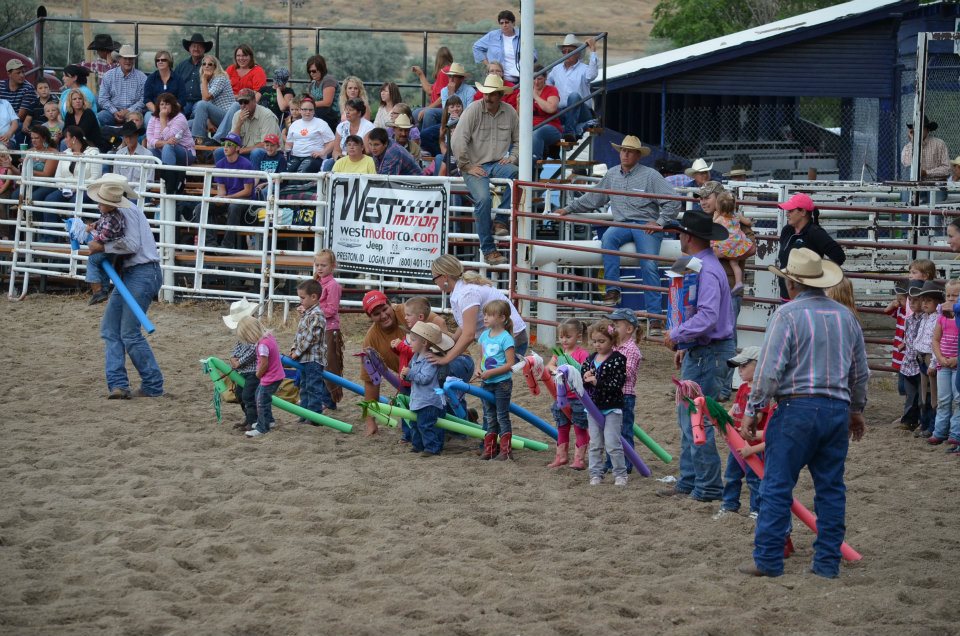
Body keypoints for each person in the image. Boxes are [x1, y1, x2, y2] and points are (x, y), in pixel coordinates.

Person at [738, 248, 868, 579]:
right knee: (830, 487)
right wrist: (856, 410)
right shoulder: (846, 317)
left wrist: (753, 409)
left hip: (796, 407)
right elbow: (859, 373)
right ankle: (826, 562)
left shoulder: (788, 315)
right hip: (836, 408)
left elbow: (769, 370)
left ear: (792, 284)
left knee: (777, 485)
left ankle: (768, 559)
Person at [555, 136, 681, 316]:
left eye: (630, 151)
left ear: (638, 155)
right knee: (612, 241)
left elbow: (673, 202)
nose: (625, 154)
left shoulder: (650, 175)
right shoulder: (613, 174)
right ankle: (617, 292)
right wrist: (568, 209)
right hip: (627, 224)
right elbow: (594, 197)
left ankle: (651, 314)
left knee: (647, 264)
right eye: (623, 150)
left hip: (643, 224)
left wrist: (660, 222)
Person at [658, 209, 734, 503]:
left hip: (708, 351)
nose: (678, 237)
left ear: (687, 236)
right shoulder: (705, 266)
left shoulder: (705, 269)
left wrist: (678, 335)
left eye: (680, 233)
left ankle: (706, 485)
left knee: (695, 420)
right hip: (704, 351)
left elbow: (707, 317)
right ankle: (693, 481)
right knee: (690, 418)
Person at [85, 174, 164, 399]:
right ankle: (120, 385)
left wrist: (102, 247)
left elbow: (131, 244)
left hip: (140, 271)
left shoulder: (125, 211)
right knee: (113, 330)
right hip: (132, 274)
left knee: (127, 333)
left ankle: (151, 385)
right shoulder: (120, 211)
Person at [451, 74, 519, 266]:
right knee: (483, 198)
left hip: (493, 163)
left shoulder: (510, 112)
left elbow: (519, 141)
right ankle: (489, 247)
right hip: (475, 165)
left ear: (500, 95)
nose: (487, 97)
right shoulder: (474, 109)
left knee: (514, 173)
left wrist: (512, 158)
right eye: (486, 93)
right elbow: (458, 140)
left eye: (491, 94)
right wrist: (467, 165)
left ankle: (500, 221)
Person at [359, 290, 447, 436]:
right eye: (376, 314)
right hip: (413, 379)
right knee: (413, 407)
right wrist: (370, 420)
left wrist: (440, 355)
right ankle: (457, 417)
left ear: (390, 305)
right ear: (370, 318)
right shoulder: (371, 339)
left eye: (385, 309)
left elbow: (440, 323)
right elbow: (371, 381)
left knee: (432, 400)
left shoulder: (408, 311)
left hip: (440, 366)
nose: (383, 315)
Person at [429, 254, 529, 372]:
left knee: (495, 379)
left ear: (445, 277)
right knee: (491, 378)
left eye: (435, 278)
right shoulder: (462, 290)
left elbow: (468, 334)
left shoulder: (466, 293)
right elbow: (466, 325)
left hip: (510, 338)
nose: (435, 282)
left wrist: (446, 358)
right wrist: (450, 345)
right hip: (505, 336)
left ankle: (531, 364)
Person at [713, 346, 767, 521]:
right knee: (731, 475)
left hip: (753, 445)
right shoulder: (743, 388)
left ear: (758, 366)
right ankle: (729, 505)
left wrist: (742, 427)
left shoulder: (762, 391)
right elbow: (734, 409)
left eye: (743, 366)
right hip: (737, 442)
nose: (739, 370)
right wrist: (724, 422)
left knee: (754, 478)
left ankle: (756, 509)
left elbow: (757, 416)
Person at [583, 318, 628, 486]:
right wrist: (586, 378)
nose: (597, 345)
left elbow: (617, 384)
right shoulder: (589, 359)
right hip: (593, 407)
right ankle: (595, 474)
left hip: (612, 407)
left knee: (612, 443)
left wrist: (597, 382)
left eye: (601, 341)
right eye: (594, 341)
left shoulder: (618, 359)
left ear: (612, 340)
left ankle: (620, 474)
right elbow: (583, 380)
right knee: (594, 443)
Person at [776, 193, 846, 300]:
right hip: (786, 293)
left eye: (791, 211)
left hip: (808, 296)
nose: (787, 214)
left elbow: (839, 255)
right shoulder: (787, 230)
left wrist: (821, 275)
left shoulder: (815, 232)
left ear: (803, 212)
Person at [190, 132, 253, 249]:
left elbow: (247, 191)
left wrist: (228, 198)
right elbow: (222, 190)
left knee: (233, 207)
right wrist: (220, 198)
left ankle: (227, 246)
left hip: (242, 200)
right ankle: (209, 244)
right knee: (202, 207)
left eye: (229, 144)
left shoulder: (246, 164)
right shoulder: (220, 164)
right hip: (229, 198)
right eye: (224, 144)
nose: (225, 147)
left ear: (238, 148)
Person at [401, 321, 452, 457]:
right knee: (415, 424)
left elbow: (425, 378)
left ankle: (432, 448)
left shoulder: (430, 359)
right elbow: (412, 374)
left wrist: (410, 374)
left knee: (426, 425)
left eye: (413, 340)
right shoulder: (416, 356)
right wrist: (405, 375)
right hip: (418, 399)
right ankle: (418, 446)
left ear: (424, 343)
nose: (410, 342)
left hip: (429, 400)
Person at [545, 318, 590, 469]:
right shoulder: (559, 352)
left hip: (578, 398)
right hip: (562, 396)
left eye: (568, 337)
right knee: (562, 427)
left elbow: (584, 371)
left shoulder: (582, 354)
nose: (564, 340)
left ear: (578, 336)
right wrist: (554, 370)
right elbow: (550, 365)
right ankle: (561, 456)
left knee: (580, 427)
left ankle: (579, 459)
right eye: (561, 337)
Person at [476, 299, 516, 461]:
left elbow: (510, 364)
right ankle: (490, 449)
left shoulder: (506, 338)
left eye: (490, 315)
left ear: (502, 318)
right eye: (485, 314)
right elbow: (480, 357)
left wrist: (491, 373)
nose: (485, 318)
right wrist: (478, 369)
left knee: (501, 416)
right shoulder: (484, 335)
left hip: (502, 383)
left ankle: (505, 451)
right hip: (487, 382)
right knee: (488, 416)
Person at [391, 297, 435, 444]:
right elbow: (408, 354)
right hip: (407, 378)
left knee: (414, 410)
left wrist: (400, 347)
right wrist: (397, 350)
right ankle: (408, 435)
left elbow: (415, 353)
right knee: (406, 409)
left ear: (420, 317)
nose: (405, 317)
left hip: (415, 381)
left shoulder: (424, 336)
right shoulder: (410, 334)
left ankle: (414, 436)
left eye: (408, 314)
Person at [238, 316, 284, 439]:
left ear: (250, 333)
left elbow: (264, 364)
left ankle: (262, 428)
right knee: (261, 397)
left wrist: (258, 375)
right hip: (277, 375)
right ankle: (269, 420)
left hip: (270, 377)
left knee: (261, 402)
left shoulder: (262, 345)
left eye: (246, 338)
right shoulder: (269, 337)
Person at [609, 307, 643, 474]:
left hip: (625, 396)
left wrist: (607, 370)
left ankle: (627, 464)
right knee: (610, 432)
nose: (612, 328)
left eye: (616, 325)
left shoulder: (632, 350)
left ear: (629, 329)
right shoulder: (614, 347)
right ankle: (611, 463)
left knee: (624, 431)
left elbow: (627, 373)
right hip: (611, 395)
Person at [547, 34, 598, 139]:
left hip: (582, 112)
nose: (566, 54)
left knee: (574, 96)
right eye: (564, 51)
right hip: (562, 111)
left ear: (578, 53)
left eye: (570, 51)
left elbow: (592, 74)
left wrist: (593, 50)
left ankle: (569, 132)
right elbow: (547, 82)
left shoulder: (584, 69)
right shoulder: (556, 69)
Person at [289, 278, 327, 419]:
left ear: (313, 297)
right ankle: (304, 414)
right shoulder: (307, 313)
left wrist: (297, 352)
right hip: (304, 359)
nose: (300, 301)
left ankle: (314, 416)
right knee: (304, 387)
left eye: (302, 298)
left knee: (313, 388)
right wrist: (294, 349)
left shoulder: (317, 315)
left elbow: (310, 338)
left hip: (313, 359)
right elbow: (299, 334)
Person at [213, 44, 267, 142]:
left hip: (244, 107)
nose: (241, 58)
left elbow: (256, 96)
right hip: (225, 106)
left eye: (244, 55)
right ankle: (196, 147)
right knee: (202, 105)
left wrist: (236, 98)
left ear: (250, 57)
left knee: (235, 105)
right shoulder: (230, 69)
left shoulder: (258, 71)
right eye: (238, 56)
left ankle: (217, 139)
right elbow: (220, 89)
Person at [214, 88, 280, 167]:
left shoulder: (267, 116)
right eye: (240, 102)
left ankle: (253, 179)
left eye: (246, 102)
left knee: (256, 152)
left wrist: (242, 150)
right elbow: (231, 142)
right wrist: (239, 124)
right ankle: (222, 178)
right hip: (243, 153)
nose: (243, 105)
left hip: (267, 155)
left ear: (254, 101)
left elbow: (267, 145)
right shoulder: (237, 115)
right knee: (219, 152)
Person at [146, 92, 195, 196]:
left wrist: (163, 119)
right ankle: (147, 186)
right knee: (148, 152)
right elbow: (150, 140)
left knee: (168, 147)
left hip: (184, 153)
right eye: (162, 104)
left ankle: (170, 185)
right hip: (163, 151)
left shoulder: (180, 118)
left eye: (167, 104)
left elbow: (169, 138)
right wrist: (164, 142)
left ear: (173, 105)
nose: (164, 107)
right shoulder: (153, 118)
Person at [222, 299, 260, 432]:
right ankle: (249, 418)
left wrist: (239, 361)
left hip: (254, 372)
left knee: (248, 396)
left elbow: (253, 351)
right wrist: (233, 358)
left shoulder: (256, 335)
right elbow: (237, 348)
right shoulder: (244, 334)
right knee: (240, 394)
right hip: (244, 371)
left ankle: (253, 420)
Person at [911, 281, 943, 439]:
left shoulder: (938, 319)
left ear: (937, 302)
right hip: (921, 356)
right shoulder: (924, 318)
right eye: (923, 300)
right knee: (924, 392)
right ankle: (924, 423)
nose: (924, 303)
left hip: (930, 357)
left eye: (928, 300)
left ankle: (932, 425)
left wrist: (933, 363)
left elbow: (937, 342)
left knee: (934, 393)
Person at [930, 279, 960, 446]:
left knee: (958, 400)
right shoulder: (941, 317)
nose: (950, 299)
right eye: (948, 295)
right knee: (943, 399)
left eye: (955, 296)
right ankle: (939, 431)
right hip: (944, 364)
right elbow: (935, 340)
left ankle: (955, 433)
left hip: (957, 365)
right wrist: (940, 358)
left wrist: (957, 359)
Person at [312, 249, 343, 409]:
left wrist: (313, 310)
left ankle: (330, 398)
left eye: (323, 265)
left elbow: (332, 310)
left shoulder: (333, 286)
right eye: (317, 265)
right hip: (319, 328)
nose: (319, 268)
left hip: (330, 329)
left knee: (330, 363)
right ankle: (322, 397)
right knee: (318, 361)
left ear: (333, 266)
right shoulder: (318, 284)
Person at [472, 10, 536, 84]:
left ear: (513, 23)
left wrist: (522, 63)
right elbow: (476, 47)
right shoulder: (492, 36)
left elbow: (533, 54)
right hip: (496, 79)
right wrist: (489, 65)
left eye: (507, 22)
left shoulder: (522, 35)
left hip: (519, 80)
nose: (504, 25)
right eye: (502, 23)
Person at [711, 189, 754, 295]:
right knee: (734, 263)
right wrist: (749, 222)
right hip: (737, 244)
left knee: (713, 253)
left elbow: (713, 225)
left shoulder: (720, 219)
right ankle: (738, 282)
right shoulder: (737, 216)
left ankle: (714, 273)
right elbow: (748, 222)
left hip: (725, 246)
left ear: (719, 207)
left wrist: (715, 216)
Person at [84, 196, 126, 305]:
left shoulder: (111, 219)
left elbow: (103, 237)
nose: (98, 206)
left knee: (92, 261)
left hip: (107, 247)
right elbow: (102, 222)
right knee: (102, 265)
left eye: (101, 204)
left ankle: (98, 291)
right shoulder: (113, 214)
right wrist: (95, 224)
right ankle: (104, 290)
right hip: (113, 248)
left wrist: (91, 231)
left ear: (111, 206)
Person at [96, 45, 147, 127]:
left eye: (130, 58)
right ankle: (103, 139)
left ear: (133, 60)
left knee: (142, 119)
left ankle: (138, 139)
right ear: (119, 59)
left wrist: (128, 111)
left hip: (134, 113)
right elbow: (102, 99)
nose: (128, 61)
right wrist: (115, 112)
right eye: (125, 58)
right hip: (112, 113)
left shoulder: (142, 77)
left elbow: (144, 99)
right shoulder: (108, 75)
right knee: (100, 117)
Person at [417, 63, 473, 137]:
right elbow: (446, 111)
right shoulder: (444, 90)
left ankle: (430, 142)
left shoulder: (470, 91)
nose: (451, 79)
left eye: (454, 77)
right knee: (416, 113)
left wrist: (452, 94)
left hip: (462, 121)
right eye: (450, 76)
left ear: (461, 79)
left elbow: (468, 114)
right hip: (447, 118)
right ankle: (422, 142)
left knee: (429, 113)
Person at [284, 98, 335, 175]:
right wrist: (286, 155)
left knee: (301, 174)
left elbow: (332, 141)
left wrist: (322, 152)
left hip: (314, 158)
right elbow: (289, 144)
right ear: (300, 110)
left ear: (314, 111)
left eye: (310, 110)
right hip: (295, 157)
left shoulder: (321, 123)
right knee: (285, 174)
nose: (308, 112)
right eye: (304, 109)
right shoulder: (294, 124)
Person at [190, 55, 235, 139]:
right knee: (187, 125)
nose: (206, 66)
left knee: (201, 104)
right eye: (204, 64)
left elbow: (205, 99)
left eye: (210, 64)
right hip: (215, 117)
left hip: (228, 117)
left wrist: (203, 79)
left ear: (215, 67)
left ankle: (198, 140)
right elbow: (205, 105)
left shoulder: (220, 78)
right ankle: (202, 150)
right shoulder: (205, 82)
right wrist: (207, 121)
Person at [530, 64, 562, 168]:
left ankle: (535, 164)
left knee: (537, 133)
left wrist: (535, 96)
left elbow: (551, 108)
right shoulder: (526, 90)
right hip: (532, 127)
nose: (536, 82)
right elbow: (519, 115)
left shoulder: (551, 90)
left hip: (551, 127)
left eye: (539, 79)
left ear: (545, 78)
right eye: (534, 78)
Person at [175, 33, 213, 118]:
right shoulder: (181, 66)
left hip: (201, 102)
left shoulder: (209, 65)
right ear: (189, 48)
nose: (196, 48)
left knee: (198, 115)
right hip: (183, 102)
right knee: (176, 117)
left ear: (204, 49)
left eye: (199, 46)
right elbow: (174, 84)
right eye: (194, 46)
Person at [329, 98, 375, 167]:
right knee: (328, 165)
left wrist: (349, 162)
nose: (347, 112)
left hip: (360, 162)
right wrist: (340, 159)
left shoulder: (368, 127)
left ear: (359, 113)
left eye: (351, 110)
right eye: (346, 110)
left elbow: (367, 152)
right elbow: (336, 151)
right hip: (342, 160)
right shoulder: (341, 126)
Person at [411, 47, 452, 124]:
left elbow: (443, 97)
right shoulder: (446, 71)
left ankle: (422, 135)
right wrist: (420, 74)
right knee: (415, 112)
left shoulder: (444, 72)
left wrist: (427, 109)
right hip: (438, 108)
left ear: (438, 59)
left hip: (441, 108)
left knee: (418, 113)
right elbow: (430, 91)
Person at [143, 50, 184, 128]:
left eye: (163, 60)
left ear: (169, 62)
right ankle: (152, 140)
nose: (160, 62)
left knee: (179, 122)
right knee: (148, 118)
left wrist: (170, 111)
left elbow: (182, 99)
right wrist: (158, 111)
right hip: (155, 111)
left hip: (174, 112)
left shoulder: (178, 79)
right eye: (157, 60)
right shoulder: (151, 78)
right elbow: (147, 99)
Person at [1, 59, 37, 144]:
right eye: (18, 73)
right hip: (3, 119)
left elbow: (20, 116)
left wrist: (4, 124)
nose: (22, 75)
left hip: (18, 121)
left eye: (23, 72)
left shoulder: (28, 88)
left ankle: (17, 154)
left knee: (19, 126)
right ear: (9, 74)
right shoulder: (1, 85)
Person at [113, 120, 154, 189]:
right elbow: (116, 177)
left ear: (136, 135)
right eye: (126, 137)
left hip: (139, 195)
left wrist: (133, 194)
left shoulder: (147, 155)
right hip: (122, 193)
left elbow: (148, 181)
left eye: (131, 136)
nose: (128, 139)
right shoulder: (119, 153)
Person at [304, 55, 339, 131]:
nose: (311, 73)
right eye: (309, 71)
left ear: (321, 69)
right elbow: (311, 100)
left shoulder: (328, 80)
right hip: (317, 114)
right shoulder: (312, 84)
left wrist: (308, 104)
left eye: (314, 71)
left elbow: (327, 102)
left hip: (331, 116)